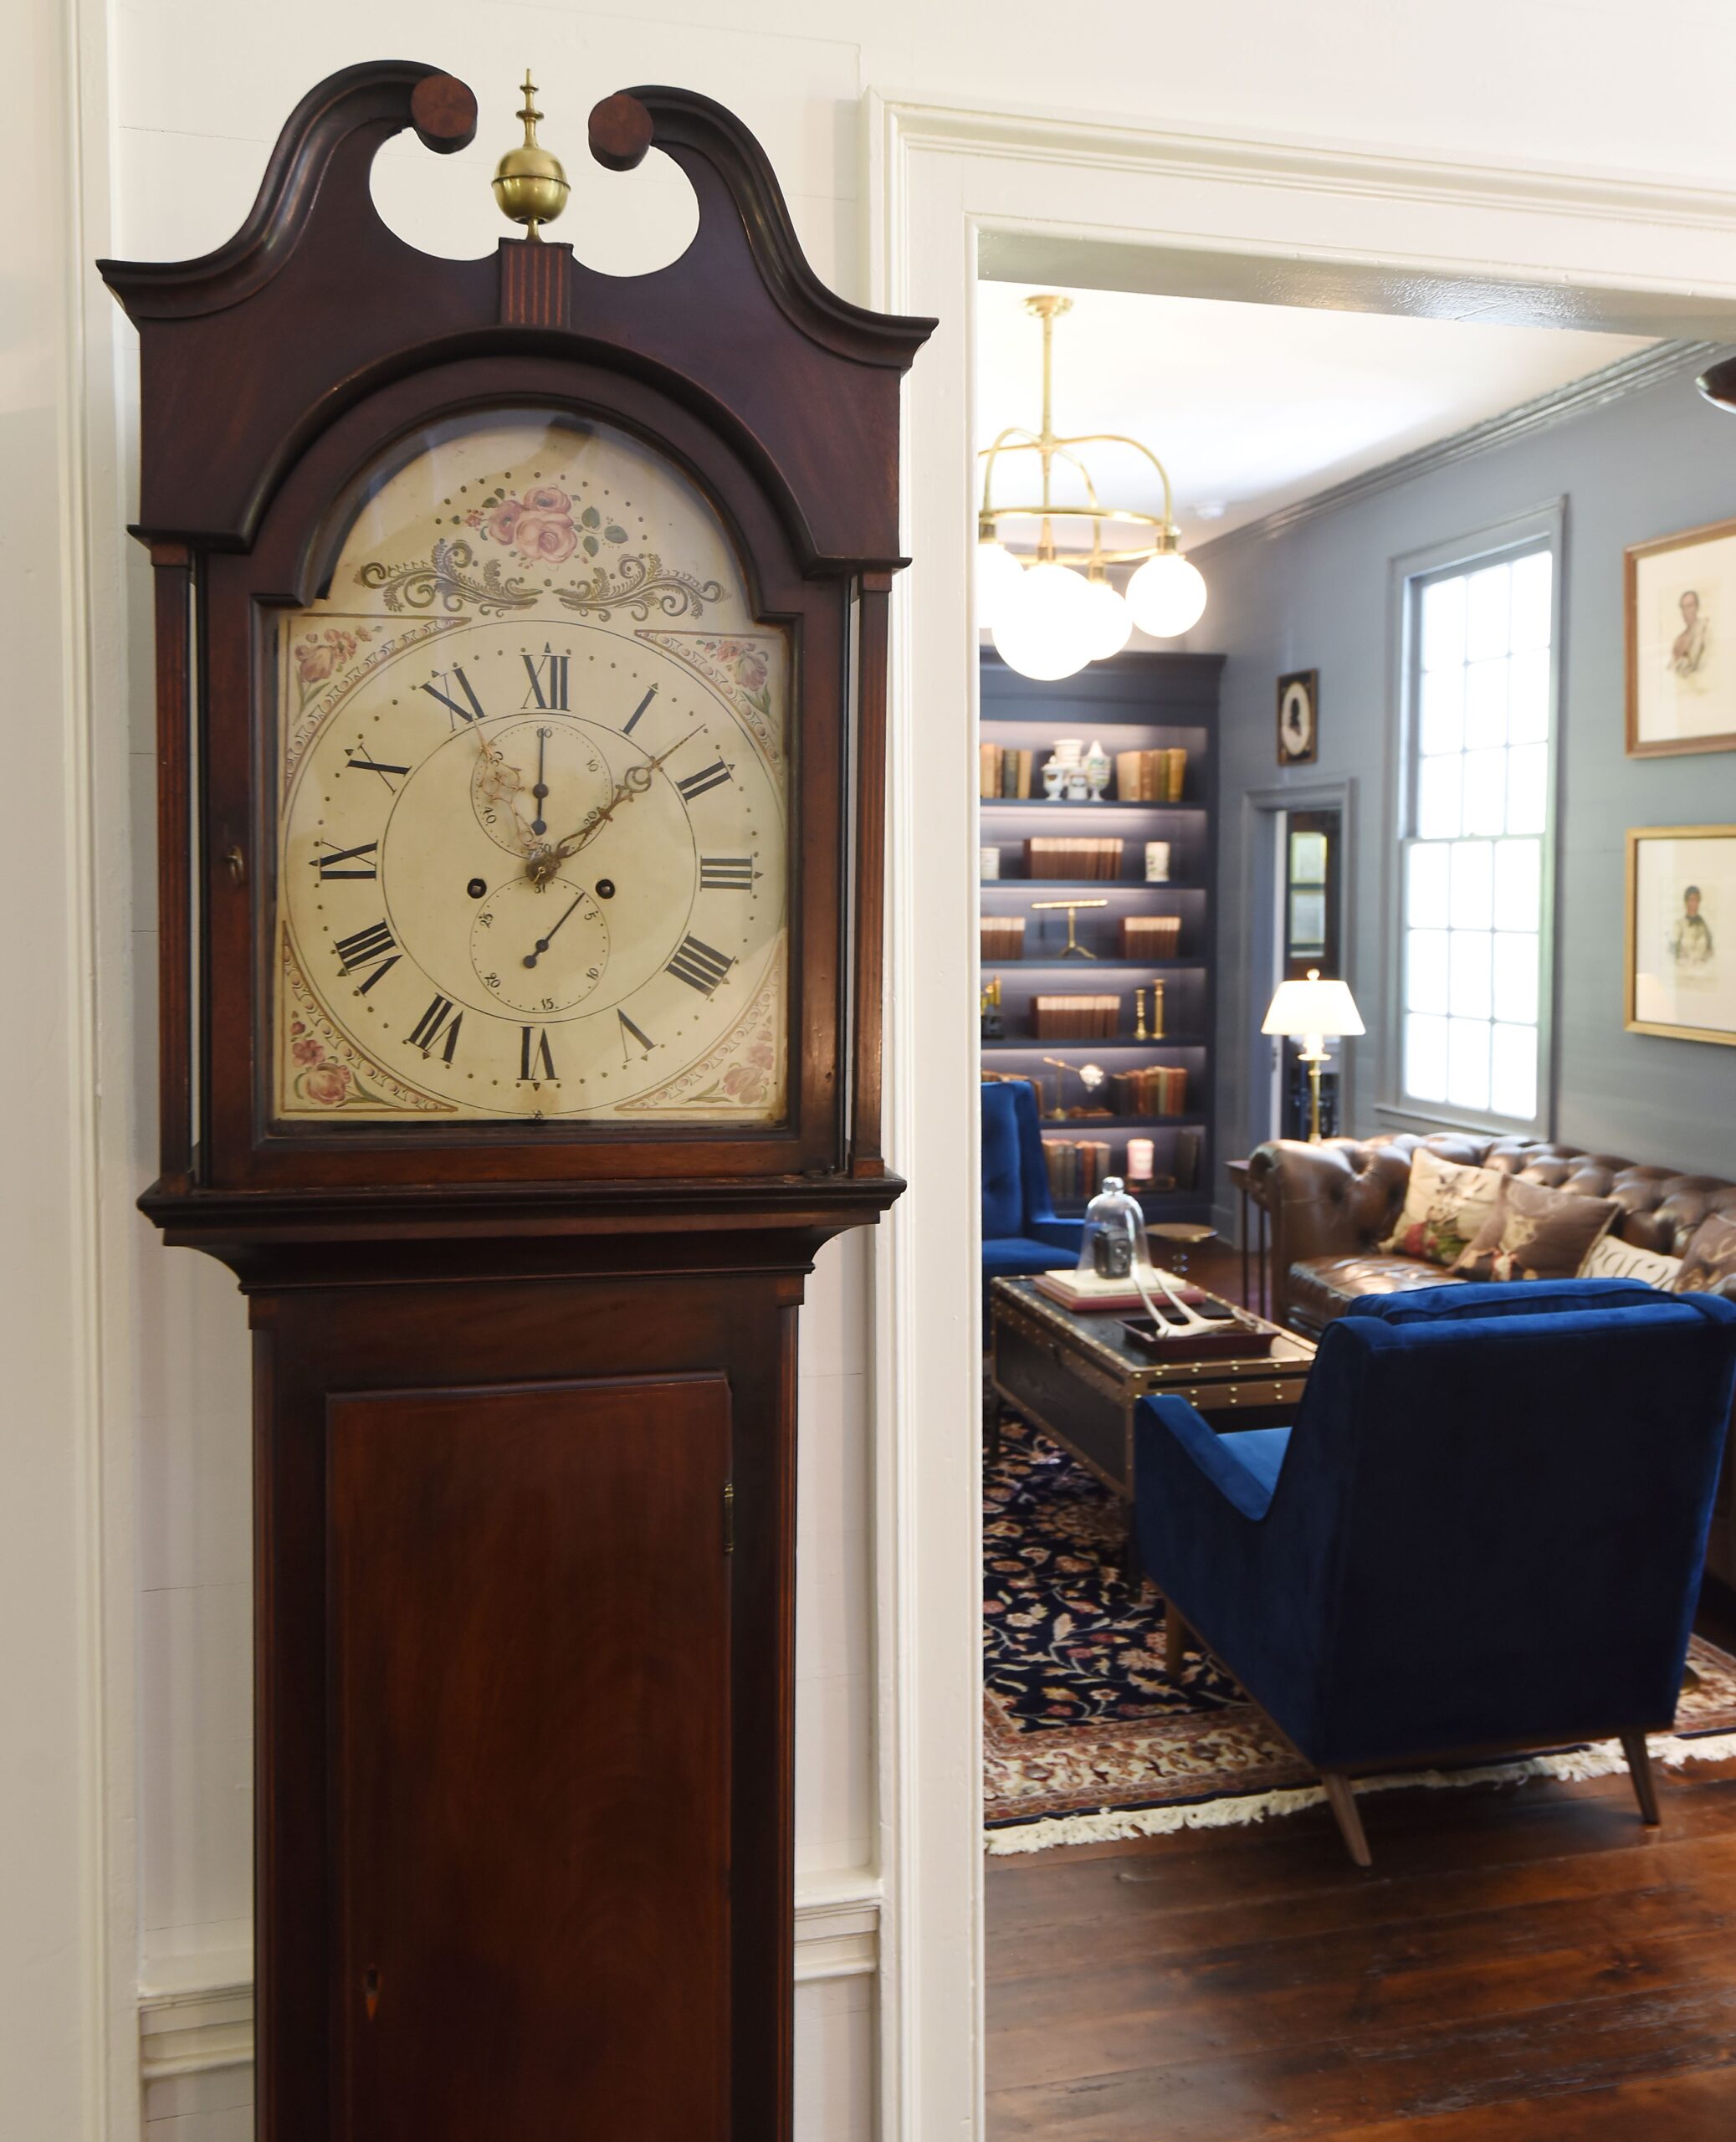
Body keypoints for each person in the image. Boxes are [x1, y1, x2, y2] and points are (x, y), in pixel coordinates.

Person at [1667, 884, 1714, 967]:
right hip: (1683, 971)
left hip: (1702, 972)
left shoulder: (1704, 926)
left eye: (1696, 900)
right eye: (1691, 900)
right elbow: (1671, 953)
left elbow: (1710, 952)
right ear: (1686, 902)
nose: (1693, 903)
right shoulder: (1679, 925)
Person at [1669, 588, 1709, 679]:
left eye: (1689, 606)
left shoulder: (1704, 631)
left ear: (1697, 607)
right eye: (1683, 607)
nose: (1686, 612)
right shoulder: (1678, 640)